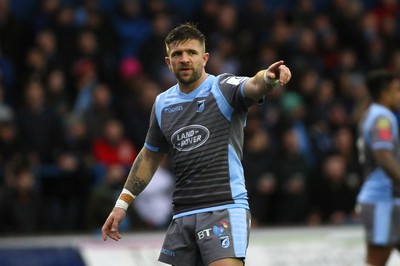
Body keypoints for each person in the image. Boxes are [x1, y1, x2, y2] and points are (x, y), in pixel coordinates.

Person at [102, 22, 291, 266]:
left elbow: (252, 85)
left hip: (223, 206)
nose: (184, 59)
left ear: (205, 58)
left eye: (191, 53)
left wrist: (268, 77)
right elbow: (149, 157)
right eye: (177, 54)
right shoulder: (162, 104)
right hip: (182, 214)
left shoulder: (222, 88)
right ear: (168, 62)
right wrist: (121, 204)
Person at [356, 69, 400, 266]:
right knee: (376, 262)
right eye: (397, 90)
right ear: (384, 93)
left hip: (389, 200)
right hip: (383, 200)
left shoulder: (370, 114)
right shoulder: (383, 118)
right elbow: (383, 157)